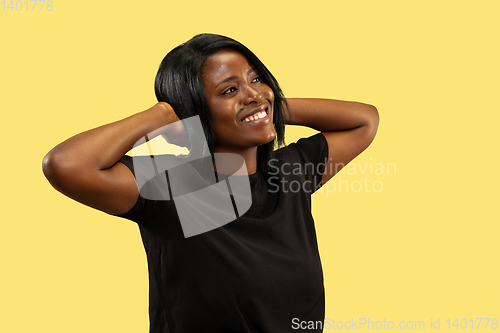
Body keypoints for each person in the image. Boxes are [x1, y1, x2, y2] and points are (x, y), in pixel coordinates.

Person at [42, 34, 379, 332]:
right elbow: (66, 164)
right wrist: (164, 115)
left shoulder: (288, 173)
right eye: (229, 89)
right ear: (193, 111)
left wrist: (267, 106)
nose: (254, 93)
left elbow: (364, 120)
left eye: (257, 79)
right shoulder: (174, 185)